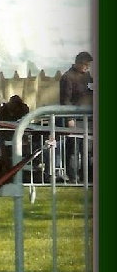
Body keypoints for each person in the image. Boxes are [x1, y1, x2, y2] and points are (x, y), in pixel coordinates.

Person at [57, 51, 94, 183]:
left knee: (87, 149)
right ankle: (72, 176)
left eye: (88, 65)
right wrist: (69, 118)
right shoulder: (68, 77)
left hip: (86, 118)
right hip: (74, 118)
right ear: (78, 63)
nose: (87, 67)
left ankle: (86, 175)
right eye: (85, 64)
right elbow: (65, 100)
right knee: (73, 148)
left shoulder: (87, 76)